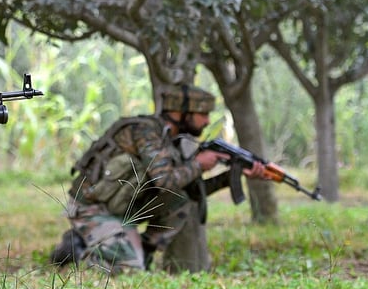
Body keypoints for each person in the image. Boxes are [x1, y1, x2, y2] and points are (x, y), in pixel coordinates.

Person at [50, 84, 266, 274]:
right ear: (182, 112)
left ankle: (139, 253)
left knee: (181, 199)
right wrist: (199, 164)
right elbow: (165, 181)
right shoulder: (146, 133)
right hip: (92, 208)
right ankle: (80, 249)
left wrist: (231, 176)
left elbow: (186, 190)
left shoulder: (171, 140)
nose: (207, 120)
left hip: (122, 208)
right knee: (127, 272)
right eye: (203, 113)